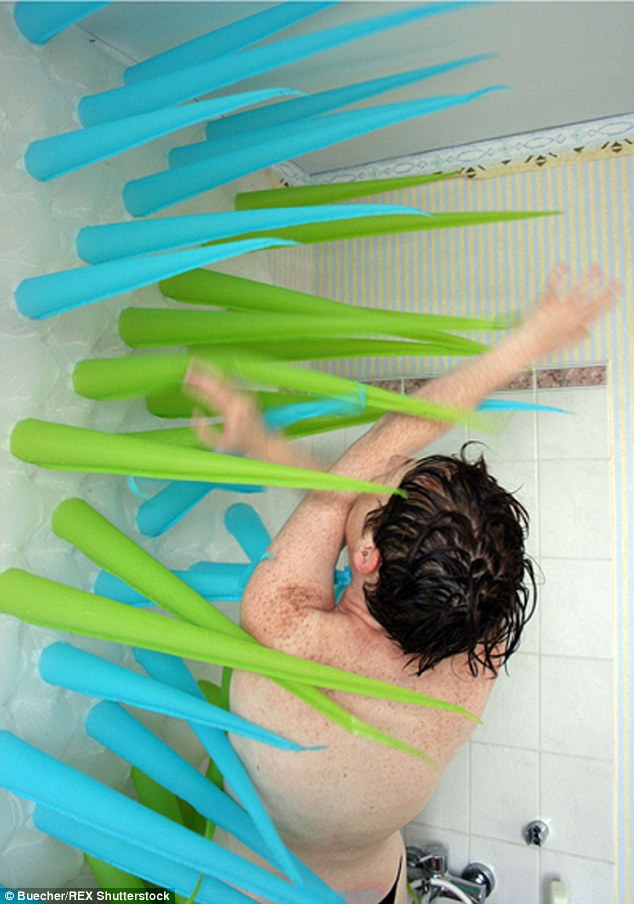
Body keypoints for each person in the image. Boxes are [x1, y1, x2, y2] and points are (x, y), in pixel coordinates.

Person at [184, 264, 620, 904]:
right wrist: (263, 441)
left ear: (365, 558)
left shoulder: (282, 623)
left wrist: (524, 344)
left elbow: (353, 476)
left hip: (255, 887)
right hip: (372, 889)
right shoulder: (479, 648)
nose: (379, 474)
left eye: (388, 484)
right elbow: (346, 497)